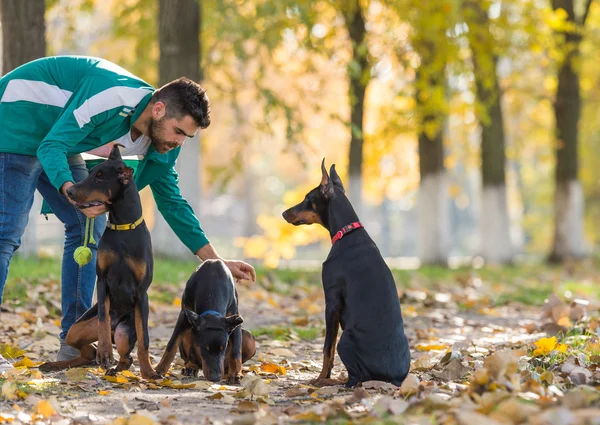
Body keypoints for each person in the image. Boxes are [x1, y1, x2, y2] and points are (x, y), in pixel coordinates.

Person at [0, 56, 256, 369]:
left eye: (186, 137)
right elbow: (51, 145)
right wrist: (70, 191)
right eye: (178, 132)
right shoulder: (111, 97)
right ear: (158, 109)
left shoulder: (160, 143)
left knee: (87, 228)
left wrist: (217, 261)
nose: (179, 143)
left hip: (58, 138)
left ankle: (73, 345)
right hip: (18, 119)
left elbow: (172, 203)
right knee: (7, 234)